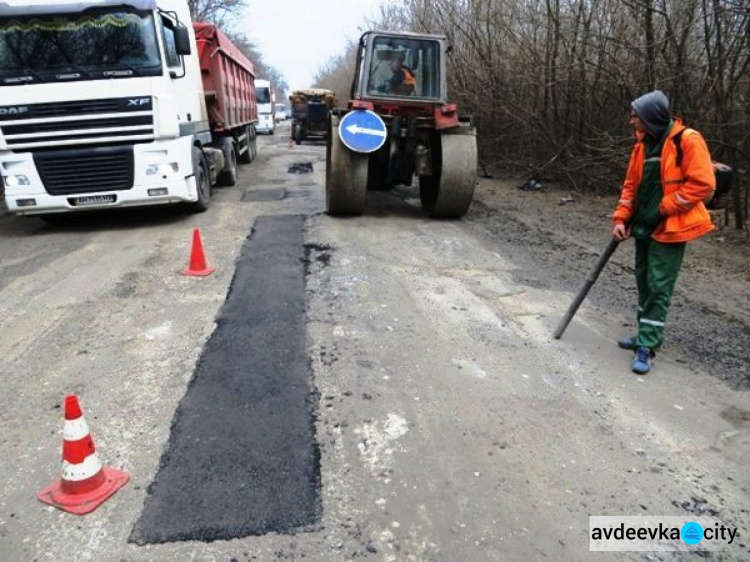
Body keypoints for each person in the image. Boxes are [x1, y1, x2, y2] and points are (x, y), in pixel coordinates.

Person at [612, 90, 715, 374]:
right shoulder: (642, 147)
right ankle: (643, 334)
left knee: (659, 287)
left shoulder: (687, 140)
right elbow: (630, 188)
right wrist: (621, 219)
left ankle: (647, 345)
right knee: (645, 282)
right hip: (643, 225)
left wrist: (665, 207)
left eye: (636, 116)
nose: (632, 122)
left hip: (670, 227)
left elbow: (703, 184)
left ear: (650, 117)